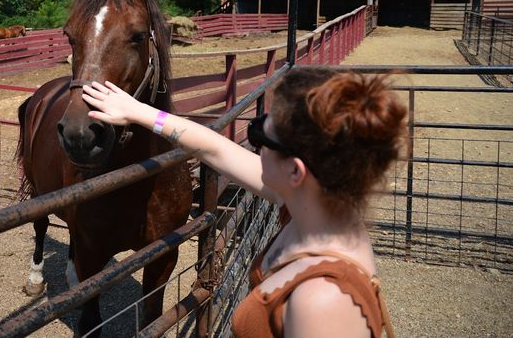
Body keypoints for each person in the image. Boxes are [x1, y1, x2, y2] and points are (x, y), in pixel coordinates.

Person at [82, 67, 405, 338]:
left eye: (259, 136)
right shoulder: (318, 205)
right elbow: (215, 149)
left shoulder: (324, 299)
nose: (253, 146)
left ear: (295, 170)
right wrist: (137, 110)